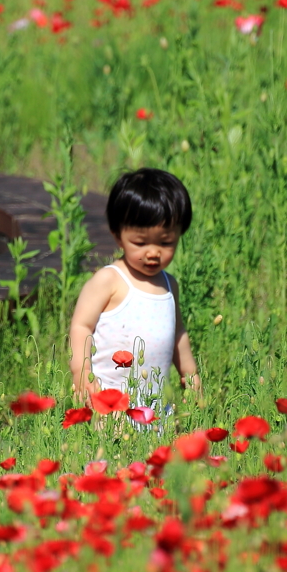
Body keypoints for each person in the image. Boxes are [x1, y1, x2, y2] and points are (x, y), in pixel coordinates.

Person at [69, 168, 201, 409]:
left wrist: (190, 374)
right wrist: (81, 370)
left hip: (155, 406)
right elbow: (81, 325)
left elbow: (178, 334)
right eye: (140, 243)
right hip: (109, 402)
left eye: (166, 242)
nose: (153, 252)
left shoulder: (170, 285)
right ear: (118, 236)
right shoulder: (109, 280)